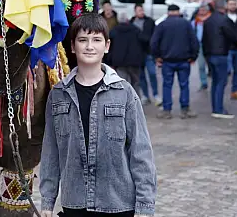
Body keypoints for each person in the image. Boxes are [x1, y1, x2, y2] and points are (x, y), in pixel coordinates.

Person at [40, 13, 156, 217]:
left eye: (96, 40)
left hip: (118, 203)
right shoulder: (58, 95)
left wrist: (144, 207)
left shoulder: (125, 92)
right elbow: (51, 153)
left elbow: (140, 152)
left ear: (107, 45)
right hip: (75, 204)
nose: (89, 46)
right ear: (73, 46)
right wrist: (47, 202)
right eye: (83, 40)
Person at [151, 4, 200, 119]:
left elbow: (154, 43)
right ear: (178, 12)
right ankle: (185, 109)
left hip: (167, 61)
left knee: (167, 85)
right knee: (184, 85)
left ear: (168, 12)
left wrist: (157, 57)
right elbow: (194, 41)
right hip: (184, 60)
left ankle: (167, 110)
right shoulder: (186, 24)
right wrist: (193, 57)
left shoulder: (162, 25)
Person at [202, 0, 237, 118]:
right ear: (223, 7)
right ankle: (218, 109)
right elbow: (232, 36)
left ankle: (215, 107)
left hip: (210, 54)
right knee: (221, 82)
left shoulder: (208, 21)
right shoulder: (225, 20)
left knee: (215, 82)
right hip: (221, 54)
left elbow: (204, 39)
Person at [109, 12, 147, 96]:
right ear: (127, 19)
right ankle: (136, 104)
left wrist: (109, 61)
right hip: (134, 61)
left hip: (119, 62)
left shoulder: (113, 31)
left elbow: (109, 48)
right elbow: (144, 42)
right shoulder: (136, 30)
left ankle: (123, 105)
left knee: (122, 84)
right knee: (135, 83)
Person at [131, 4, 160, 106]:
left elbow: (154, 36)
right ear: (135, 11)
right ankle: (145, 96)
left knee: (152, 73)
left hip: (148, 52)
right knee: (141, 76)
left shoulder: (150, 21)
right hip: (137, 54)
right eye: (139, 10)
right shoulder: (131, 22)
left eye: (142, 10)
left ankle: (156, 95)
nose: (141, 12)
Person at [191, 1, 211, 91]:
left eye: (204, 9)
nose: (202, 11)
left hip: (210, 44)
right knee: (201, 65)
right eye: (201, 9)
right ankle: (204, 83)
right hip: (200, 45)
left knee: (211, 64)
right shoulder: (195, 21)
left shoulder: (211, 19)